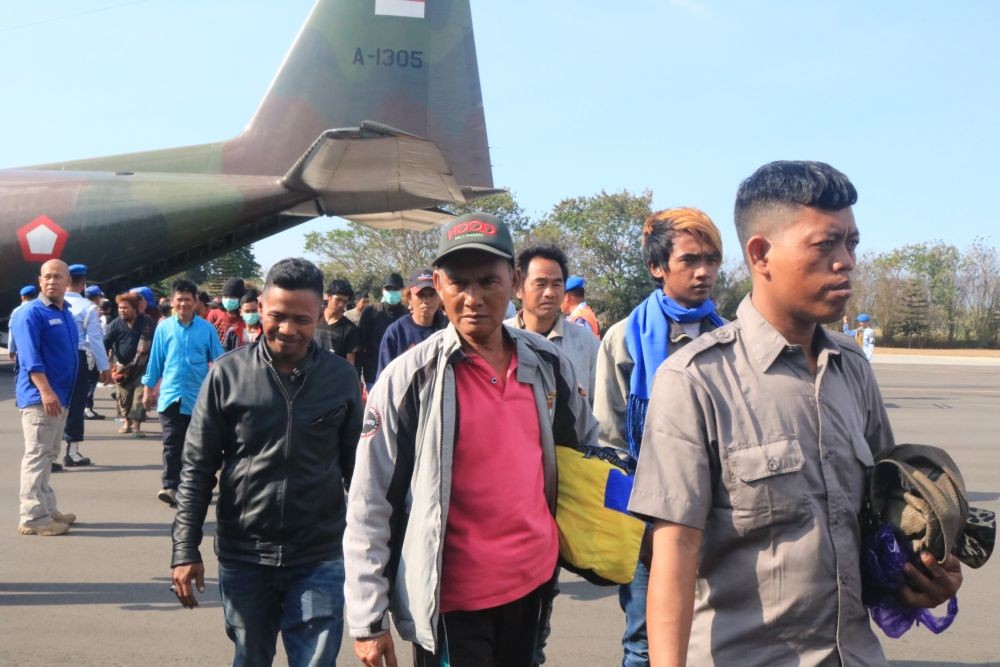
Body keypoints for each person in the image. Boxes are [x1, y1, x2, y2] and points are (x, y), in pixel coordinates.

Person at [630, 161, 963, 666]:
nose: (846, 260)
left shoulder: (851, 369)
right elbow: (672, 558)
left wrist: (923, 576)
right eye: (825, 244)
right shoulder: (694, 381)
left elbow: (882, 517)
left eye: (851, 243)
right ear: (761, 254)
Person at [344, 212, 600, 667]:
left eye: (488, 281)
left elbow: (585, 451)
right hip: (451, 604)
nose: (473, 298)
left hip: (532, 586)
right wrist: (368, 618)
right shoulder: (409, 380)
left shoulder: (548, 364)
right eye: (458, 282)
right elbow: (370, 501)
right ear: (438, 284)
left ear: (514, 280)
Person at [170, 258, 363, 666]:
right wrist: (184, 549)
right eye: (277, 316)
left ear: (319, 315)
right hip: (245, 554)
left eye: (302, 319)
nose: (288, 329)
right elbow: (198, 468)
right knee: (251, 657)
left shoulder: (341, 379)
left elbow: (360, 473)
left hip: (319, 554)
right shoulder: (227, 375)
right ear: (260, 309)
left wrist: (375, 552)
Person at [591, 207, 725, 667]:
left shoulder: (729, 338)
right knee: (644, 642)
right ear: (657, 267)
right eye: (690, 260)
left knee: (715, 635)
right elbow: (608, 442)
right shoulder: (624, 339)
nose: (704, 271)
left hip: (717, 522)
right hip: (648, 521)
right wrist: (638, 530)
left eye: (711, 259)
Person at [142, 279, 224, 507]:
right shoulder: (164, 327)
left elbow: (219, 361)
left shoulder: (206, 328)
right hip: (171, 396)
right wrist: (148, 390)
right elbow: (156, 360)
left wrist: (224, 390)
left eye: (188, 299)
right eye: (179, 299)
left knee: (198, 445)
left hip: (199, 397)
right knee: (172, 443)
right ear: (172, 302)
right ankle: (170, 485)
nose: (184, 304)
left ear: (195, 302)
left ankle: (194, 484)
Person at [12, 260, 79, 535]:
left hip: (60, 396)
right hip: (42, 397)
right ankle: (33, 518)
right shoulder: (31, 313)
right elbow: (30, 359)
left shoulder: (66, 313)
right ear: (40, 282)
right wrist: (46, 390)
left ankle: (47, 509)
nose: (52, 281)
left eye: (58, 277)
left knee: (49, 454)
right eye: (47, 277)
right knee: (37, 455)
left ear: (67, 283)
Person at [506, 244, 599, 404]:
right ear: (518, 288)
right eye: (540, 284)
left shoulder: (585, 341)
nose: (549, 292)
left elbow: (597, 405)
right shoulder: (501, 337)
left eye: (556, 284)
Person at [62, 264, 110, 465]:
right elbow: (96, 339)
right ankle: (72, 452)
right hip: (78, 359)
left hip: (54, 359)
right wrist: (104, 367)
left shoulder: (52, 303)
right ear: (83, 284)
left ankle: (48, 453)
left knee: (53, 405)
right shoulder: (89, 308)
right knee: (76, 405)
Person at [375, 268, 448, 378]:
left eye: (432, 294)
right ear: (409, 298)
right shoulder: (396, 332)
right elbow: (384, 378)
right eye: (421, 294)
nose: (427, 300)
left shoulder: (449, 328)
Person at [105, 293, 154, 437]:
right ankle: (127, 423)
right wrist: (105, 367)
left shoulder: (147, 322)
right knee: (124, 397)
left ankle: (137, 426)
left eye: (125, 308)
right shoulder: (115, 324)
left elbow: (155, 342)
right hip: (122, 367)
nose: (122, 310)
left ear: (135, 308)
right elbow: (106, 343)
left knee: (139, 396)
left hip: (143, 365)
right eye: (120, 307)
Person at [356, 272, 407, 389]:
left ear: (402, 291)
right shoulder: (371, 312)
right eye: (389, 289)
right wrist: (358, 375)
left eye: (396, 289)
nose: (392, 292)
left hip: (400, 375)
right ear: (383, 290)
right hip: (373, 375)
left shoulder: (407, 314)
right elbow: (360, 345)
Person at [315, 279, 362, 364]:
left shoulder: (350, 329)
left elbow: (350, 362)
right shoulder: (314, 319)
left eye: (344, 301)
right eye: (338, 299)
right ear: (328, 296)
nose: (341, 304)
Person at [83, 285, 108, 420]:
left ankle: (85, 407)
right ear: (97, 297)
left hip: (78, 352)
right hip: (89, 352)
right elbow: (95, 338)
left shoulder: (79, 307)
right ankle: (87, 408)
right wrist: (104, 366)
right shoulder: (93, 311)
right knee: (91, 381)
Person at [206, 277, 246, 342]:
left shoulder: (245, 318)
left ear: (240, 298)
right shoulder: (214, 314)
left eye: (232, 297)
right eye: (225, 296)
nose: (228, 300)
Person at [7, 284, 39, 364]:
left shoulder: (16, 311)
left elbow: (12, 332)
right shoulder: (41, 309)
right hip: (39, 351)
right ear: (35, 296)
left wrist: (11, 349)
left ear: (22, 297)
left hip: (22, 351)